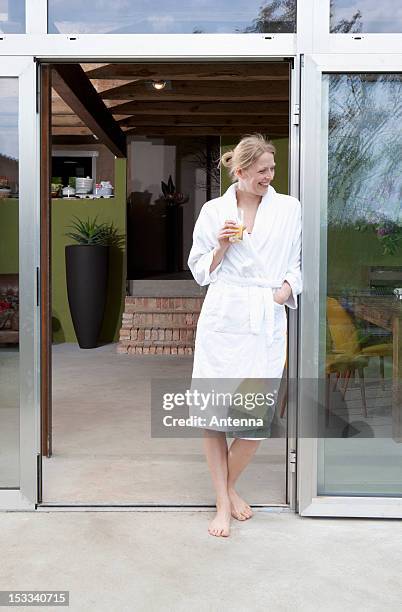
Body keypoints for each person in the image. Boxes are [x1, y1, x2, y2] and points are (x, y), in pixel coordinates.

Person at [187, 134, 302, 537]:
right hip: (224, 316)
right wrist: (220, 245)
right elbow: (200, 270)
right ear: (240, 172)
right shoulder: (214, 210)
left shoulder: (289, 208)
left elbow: (297, 262)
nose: (269, 177)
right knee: (215, 416)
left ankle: (228, 488)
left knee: (254, 421)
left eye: (272, 169)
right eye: (261, 171)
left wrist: (286, 289)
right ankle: (223, 500)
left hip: (264, 317)